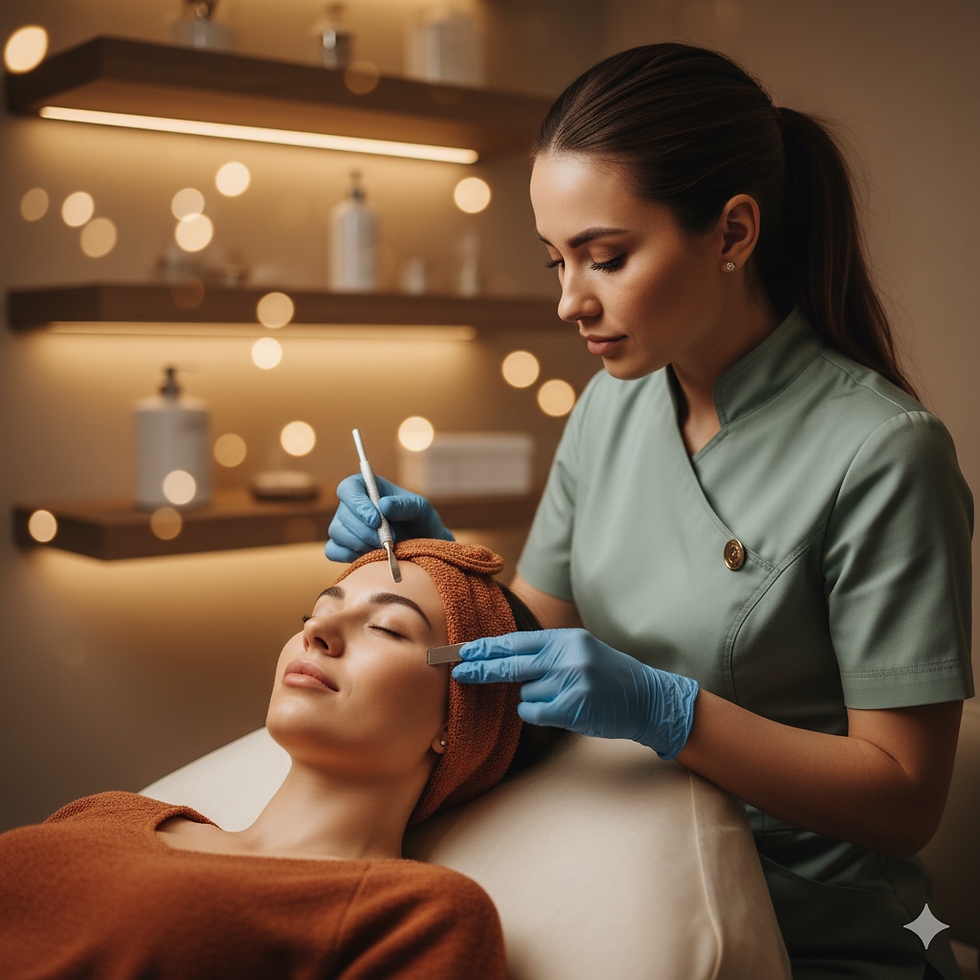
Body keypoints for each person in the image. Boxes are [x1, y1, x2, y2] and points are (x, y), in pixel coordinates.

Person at [325, 43, 974, 980]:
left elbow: (906, 797)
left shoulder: (884, 453)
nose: (569, 301)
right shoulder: (611, 404)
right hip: (614, 863)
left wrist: (671, 713)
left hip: (815, 930)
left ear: (732, 232)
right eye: (557, 261)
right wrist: (434, 565)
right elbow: (540, 637)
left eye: (606, 257)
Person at [0, 539, 542, 980]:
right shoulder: (108, 811)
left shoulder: (416, 915)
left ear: (460, 722)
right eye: (317, 612)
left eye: (385, 628)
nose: (316, 632)